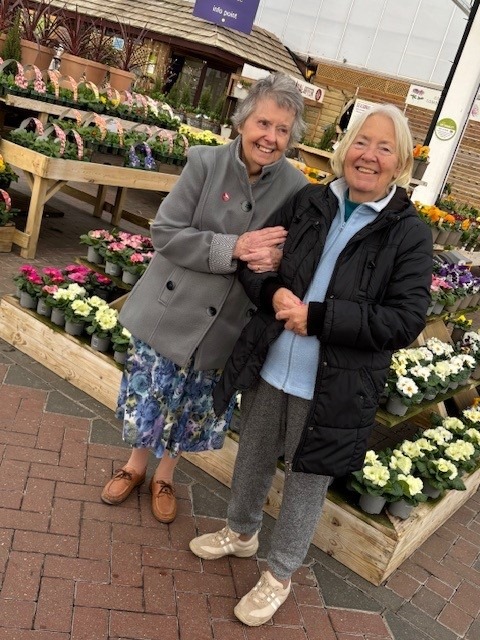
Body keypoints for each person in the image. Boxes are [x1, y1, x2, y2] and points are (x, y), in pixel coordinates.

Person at [189, 104, 433, 626]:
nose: (369, 155)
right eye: (362, 142)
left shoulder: (408, 232)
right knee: (252, 456)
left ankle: (279, 574)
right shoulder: (311, 201)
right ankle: (241, 531)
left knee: (306, 480)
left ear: (401, 162)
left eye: (384, 148)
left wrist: (319, 317)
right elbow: (258, 260)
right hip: (273, 361)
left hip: (333, 385)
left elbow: (405, 319)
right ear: (346, 149)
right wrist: (274, 292)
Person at [100, 73, 308, 523]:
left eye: (282, 130)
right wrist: (233, 247)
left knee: (194, 404)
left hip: (227, 322)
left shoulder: (295, 188)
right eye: (263, 123)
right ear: (242, 120)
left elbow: (292, 250)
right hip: (172, 308)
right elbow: (166, 231)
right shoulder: (205, 162)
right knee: (153, 390)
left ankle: (166, 476)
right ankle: (135, 466)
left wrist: (275, 257)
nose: (270, 138)